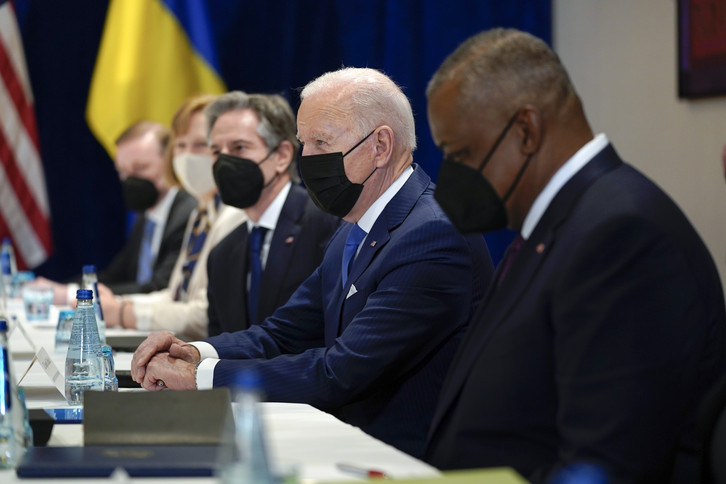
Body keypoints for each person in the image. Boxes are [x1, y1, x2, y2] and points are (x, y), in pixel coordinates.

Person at [130, 67, 494, 458]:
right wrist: (197, 352)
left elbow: (338, 372)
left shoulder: (433, 234)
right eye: (304, 143)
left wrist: (199, 377)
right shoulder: (355, 225)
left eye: (321, 142)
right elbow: (282, 333)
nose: (307, 159)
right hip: (350, 445)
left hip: (412, 461)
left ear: (381, 145)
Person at [423, 28, 726, 483]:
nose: (452, 178)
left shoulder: (622, 235)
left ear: (526, 130)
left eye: (461, 154)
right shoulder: (555, 226)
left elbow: (606, 465)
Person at [98, 95, 247, 339]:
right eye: (180, 145)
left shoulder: (236, 217)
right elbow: (175, 294)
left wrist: (123, 313)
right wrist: (118, 303)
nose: (187, 156)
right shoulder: (202, 213)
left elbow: (204, 316)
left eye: (200, 145)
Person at [202, 91, 339, 336]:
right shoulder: (221, 255)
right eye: (216, 151)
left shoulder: (329, 226)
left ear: (282, 155)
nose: (224, 162)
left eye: (239, 148)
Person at [42, 121, 197, 304]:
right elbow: (115, 275)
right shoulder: (145, 217)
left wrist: (72, 295)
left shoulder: (188, 214)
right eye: (123, 172)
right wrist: (58, 288)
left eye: (140, 168)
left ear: (170, 162)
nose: (130, 180)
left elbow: (158, 287)